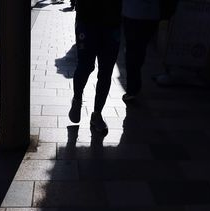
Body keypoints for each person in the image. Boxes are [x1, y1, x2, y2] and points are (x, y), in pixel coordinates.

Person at [68, 0, 122, 134]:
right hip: (87, 19)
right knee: (85, 66)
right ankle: (77, 98)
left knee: (106, 71)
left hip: (112, 21)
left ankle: (97, 114)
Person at [122, 0, 177, 102]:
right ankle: (134, 85)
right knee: (139, 49)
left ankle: (132, 88)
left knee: (132, 51)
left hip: (133, 13)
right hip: (151, 15)